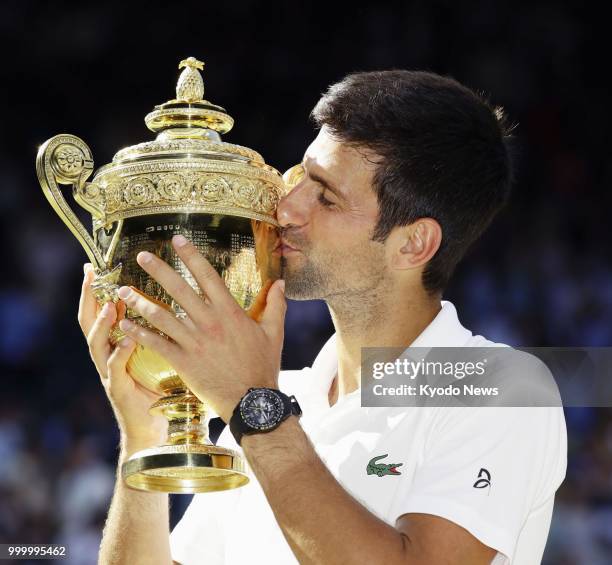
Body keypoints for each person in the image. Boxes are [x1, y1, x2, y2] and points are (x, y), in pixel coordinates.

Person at [79, 70, 567, 565]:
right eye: (301, 177)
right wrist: (143, 435)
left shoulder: (505, 388)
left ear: (413, 243)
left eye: (326, 197)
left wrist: (253, 406)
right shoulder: (278, 400)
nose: (286, 208)